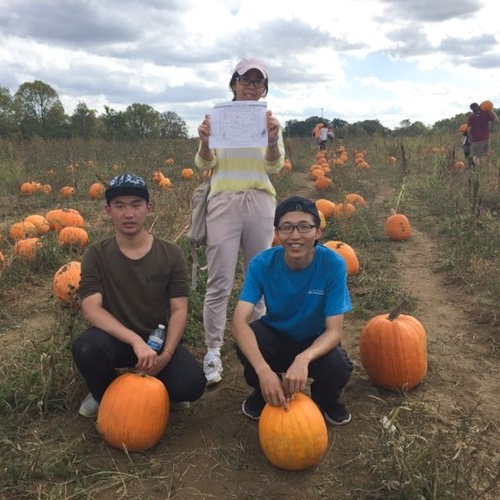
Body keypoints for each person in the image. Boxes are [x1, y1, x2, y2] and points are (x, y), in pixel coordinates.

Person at [72, 174, 206, 418]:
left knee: (192, 385)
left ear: (148, 208)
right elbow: (91, 309)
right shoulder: (96, 254)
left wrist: (165, 355)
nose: (128, 213)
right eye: (119, 206)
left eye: (135, 204)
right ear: (108, 211)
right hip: (117, 339)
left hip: (157, 341)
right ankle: (106, 392)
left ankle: (158, 389)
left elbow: (179, 309)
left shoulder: (171, 253)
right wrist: (135, 341)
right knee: (88, 347)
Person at [194, 57, 285, 386]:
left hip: (260, 201)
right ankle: (213, 350)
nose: (251, 86)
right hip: (224, 201)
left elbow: (274, 168)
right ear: (233, 83)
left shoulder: (269, 121)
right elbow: (204, 163)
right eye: (245, 80)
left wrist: (273, 139)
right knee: (219, 280)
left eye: (257, 82)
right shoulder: (217, 117)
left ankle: (259, 344)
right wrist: (205, 140)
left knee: (258, 278)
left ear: (264, 89)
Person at [232, 196, 353, 425]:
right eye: (287, 227)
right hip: (276, 337)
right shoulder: (262, 263)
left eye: (304, 227)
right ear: (277, 233)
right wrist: (263, 371)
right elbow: (239, 322)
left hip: (314, 340)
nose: (295, 235)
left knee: (338, 365)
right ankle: (264, 390)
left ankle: (325, 400)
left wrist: (303, 358)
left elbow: (334, 332)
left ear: (318, 232)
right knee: (248, 340)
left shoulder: (334, 265)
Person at [467, 102, 498, 168]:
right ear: (479, 107)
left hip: (475, 140)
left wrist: (470, 139)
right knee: (485, 155)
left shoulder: (471, 117)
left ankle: (479, 170)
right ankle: (484, 169)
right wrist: (490, 110)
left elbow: (469, 130)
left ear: (472, 110)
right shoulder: (487, 113)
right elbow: (496, 120)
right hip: (486, 138)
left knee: (475, 155)